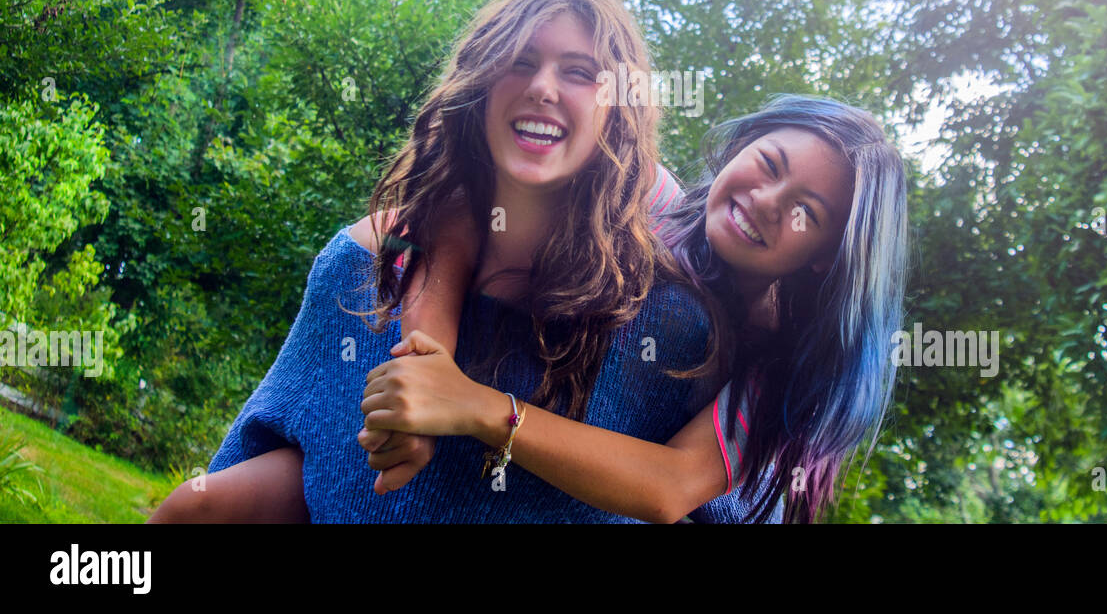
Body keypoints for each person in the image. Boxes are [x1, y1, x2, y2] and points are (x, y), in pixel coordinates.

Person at [149, 0, 757, 523]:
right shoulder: (364, 260)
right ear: (480, 86)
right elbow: (277, 458)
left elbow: (689, 495)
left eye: (579, 72)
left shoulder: (668, 325)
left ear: (617, 110)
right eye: (519, 62)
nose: (543, 87)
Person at [360, 94, 909, 523]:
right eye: (769, 163)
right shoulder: (644, 195)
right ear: (742, 145)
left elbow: (670, 486)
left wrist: (477, 407)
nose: (767, 201)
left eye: (805, 213)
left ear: (825, 258)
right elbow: (460, 205)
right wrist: (425, 364)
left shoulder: (780, 362)